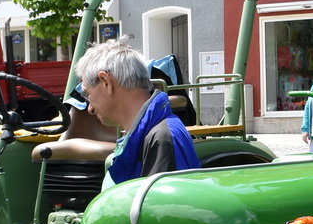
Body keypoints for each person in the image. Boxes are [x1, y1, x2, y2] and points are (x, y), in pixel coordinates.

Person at [34, 38, 199, 182]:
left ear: (106, 81)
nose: (90, 108)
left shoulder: (161, 138)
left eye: (87, 94)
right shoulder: (154, 133)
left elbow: (161, 214)